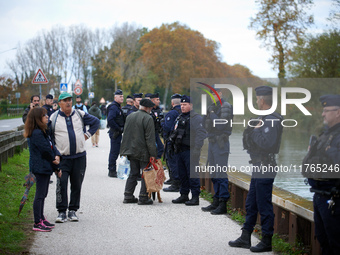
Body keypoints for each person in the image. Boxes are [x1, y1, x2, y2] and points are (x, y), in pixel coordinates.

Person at [229, 86, 283, 252]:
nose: (256, 101)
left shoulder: (272, 119)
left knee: (263, 204)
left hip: (266, 166)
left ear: (262, 100)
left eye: (257, 98)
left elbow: (267, 143)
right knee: (251, 202)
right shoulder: (263, 117)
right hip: (259, 165)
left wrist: (255, 131)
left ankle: (267, 240)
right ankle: (246, 236)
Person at [49, 92, 99, 223]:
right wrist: (53, 153)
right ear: (59, 103)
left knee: (76, 184)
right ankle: (61, 211)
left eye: (70, 100)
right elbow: (48, 137)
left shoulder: (79, 114)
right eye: (65, 100)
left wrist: (87, 135)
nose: (68, 103)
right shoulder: (53, 118)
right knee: (62, 183)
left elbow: (96, 122)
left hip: (79, 157)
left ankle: (73, 210)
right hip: (63, 159)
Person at [302, 95, 340, 254]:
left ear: (338, 112)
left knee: (335, 242)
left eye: (326, 110)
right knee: (323, 240)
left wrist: (328, 152)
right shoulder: (325, 135)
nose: (323, 114)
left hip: (334, 199)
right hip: (319, 196)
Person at [24, 107, 61, 232]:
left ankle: (41, 218)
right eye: (44, 115)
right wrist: (55, 162)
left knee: (43, 194)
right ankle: (37, 222)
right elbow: (46, 150)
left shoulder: (42, 131)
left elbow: (51, 145)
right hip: (40, 167)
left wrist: (56, 157)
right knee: (40, 195)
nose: (47, 117)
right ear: (37, 118)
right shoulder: (36, 133)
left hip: (45, 166)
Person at [201, 88, 233, 214]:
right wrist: (207, 113)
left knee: (220, 174)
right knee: (214, 173)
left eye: (214, 93)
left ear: (220, 94)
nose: (212, 96)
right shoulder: (211, 107)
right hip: (212, 141)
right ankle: (216, 200)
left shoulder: (226, 106)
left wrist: (212, 113)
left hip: (221, 143)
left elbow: (220, 125)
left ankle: (223, 203)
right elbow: (204, 124)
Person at [171, 95, 206, 206]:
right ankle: (184, 194)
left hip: (190, 150)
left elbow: (201, 134)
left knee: (192, 174)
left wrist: (197, 149)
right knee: (182, 174)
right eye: (181, 105)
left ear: (190, 105)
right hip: (180, 150)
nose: (182, 107)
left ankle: (195, 197)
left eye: (185, 105)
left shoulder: (196, 118)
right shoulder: (180, 117)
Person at [120, 99, 157, 205]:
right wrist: (153, 154)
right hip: (143, 151)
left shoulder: (130, 116)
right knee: (145, 173)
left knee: (133, 173)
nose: (151, 110)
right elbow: (150, 138)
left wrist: (124, 150)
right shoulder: (148, 118)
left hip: (131, 150)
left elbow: (126, 134)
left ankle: (128, 195)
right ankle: (143, 197)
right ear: (147, 108)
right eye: (150, 108)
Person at [163, 93, 182, 192]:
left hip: (172, 141)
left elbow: (167, 128)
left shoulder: (172, 113)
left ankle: (175, 183)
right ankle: (176, 180)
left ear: (172, 102)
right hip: (181, 141)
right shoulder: (183, 112)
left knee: (172, 161)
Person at [107, 89, 125, 178]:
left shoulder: (117, 107)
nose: (122, 98)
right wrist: (118, 128)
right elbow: (110, 120)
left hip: (117, 132)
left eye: (122, 96)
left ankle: (112, 169)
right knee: (114, 152)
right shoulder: (114, 107)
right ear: (115, 97)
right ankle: (112, 170)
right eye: (120, 96)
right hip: (115, 133)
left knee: (116, 151)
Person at [150, 92, 165, 159]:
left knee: (160, 148)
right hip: (150, 133)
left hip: (157, 132)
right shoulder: (149, 109)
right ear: (152, 100)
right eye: (157, 100)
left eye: (159, 100)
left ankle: (157, 162)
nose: (159, 101)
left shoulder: (159, 110)